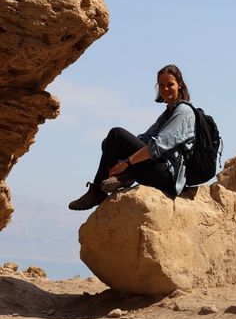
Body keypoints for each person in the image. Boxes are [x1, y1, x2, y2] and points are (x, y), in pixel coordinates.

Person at [68, 64, 196, 210]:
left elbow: (157, 146)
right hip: (158, 169)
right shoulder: (168, 113)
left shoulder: (183, 112)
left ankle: (98, 191)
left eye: (170, 84)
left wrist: (127, 162)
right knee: (110, 143)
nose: (165, 89)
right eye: (162, 85)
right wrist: (122, 158)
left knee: (116, 134)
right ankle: (125, 177)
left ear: (179, 85)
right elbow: (145, 138)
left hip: (168, 177)